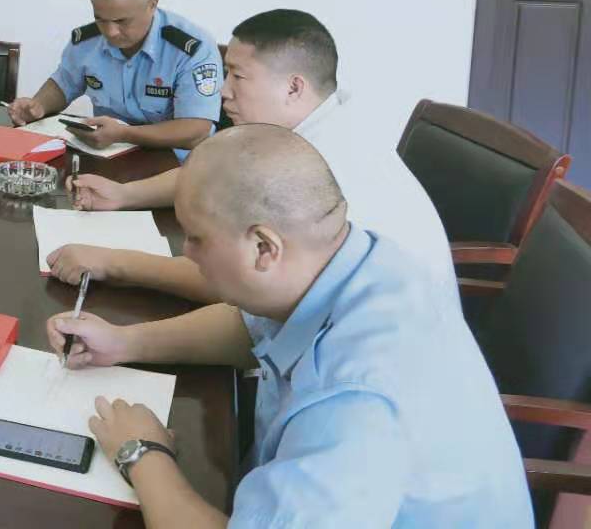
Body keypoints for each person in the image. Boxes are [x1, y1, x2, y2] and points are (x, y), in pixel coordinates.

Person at [46, 126, 532, 528]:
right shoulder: (361, 260)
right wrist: (124, 342)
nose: (186, 253)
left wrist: (142, 454)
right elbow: (249, 329)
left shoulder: (350, 404)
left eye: (195, 238)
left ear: (264, 248)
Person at [50, 9, 456, 306]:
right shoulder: (319, 120)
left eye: (238, 77)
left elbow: (230, 284)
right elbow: (222, 172)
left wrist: (112, 263)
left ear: (294, 88)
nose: (223, 91)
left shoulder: (318, 170)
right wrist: (124, 194)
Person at [7, 0, 220, 155]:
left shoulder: (191, 48)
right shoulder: (87, 41)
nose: (110, 32)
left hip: (177, 164)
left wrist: (124, 134)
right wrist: (38, 105)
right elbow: (63, 83)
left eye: (121, 21)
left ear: (152, 5)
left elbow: (196, 130)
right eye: (100, 19)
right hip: (109, 156)